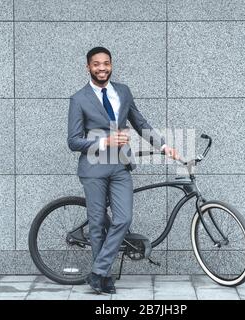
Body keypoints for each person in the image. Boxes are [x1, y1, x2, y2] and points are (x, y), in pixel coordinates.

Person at [67, 46, 179, 294]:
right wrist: (105, 141)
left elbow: (140, 123)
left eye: (106, 63)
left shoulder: (123, 92)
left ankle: (97, 271)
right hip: (93, 168)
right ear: (88, 67)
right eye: (96, 64)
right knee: (96, 224)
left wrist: (164, 146)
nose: (102, 68)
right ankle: (103, 277)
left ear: (111, 65)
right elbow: (73, 141)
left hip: (120, 165)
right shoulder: (78, 99)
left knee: (123, 218)